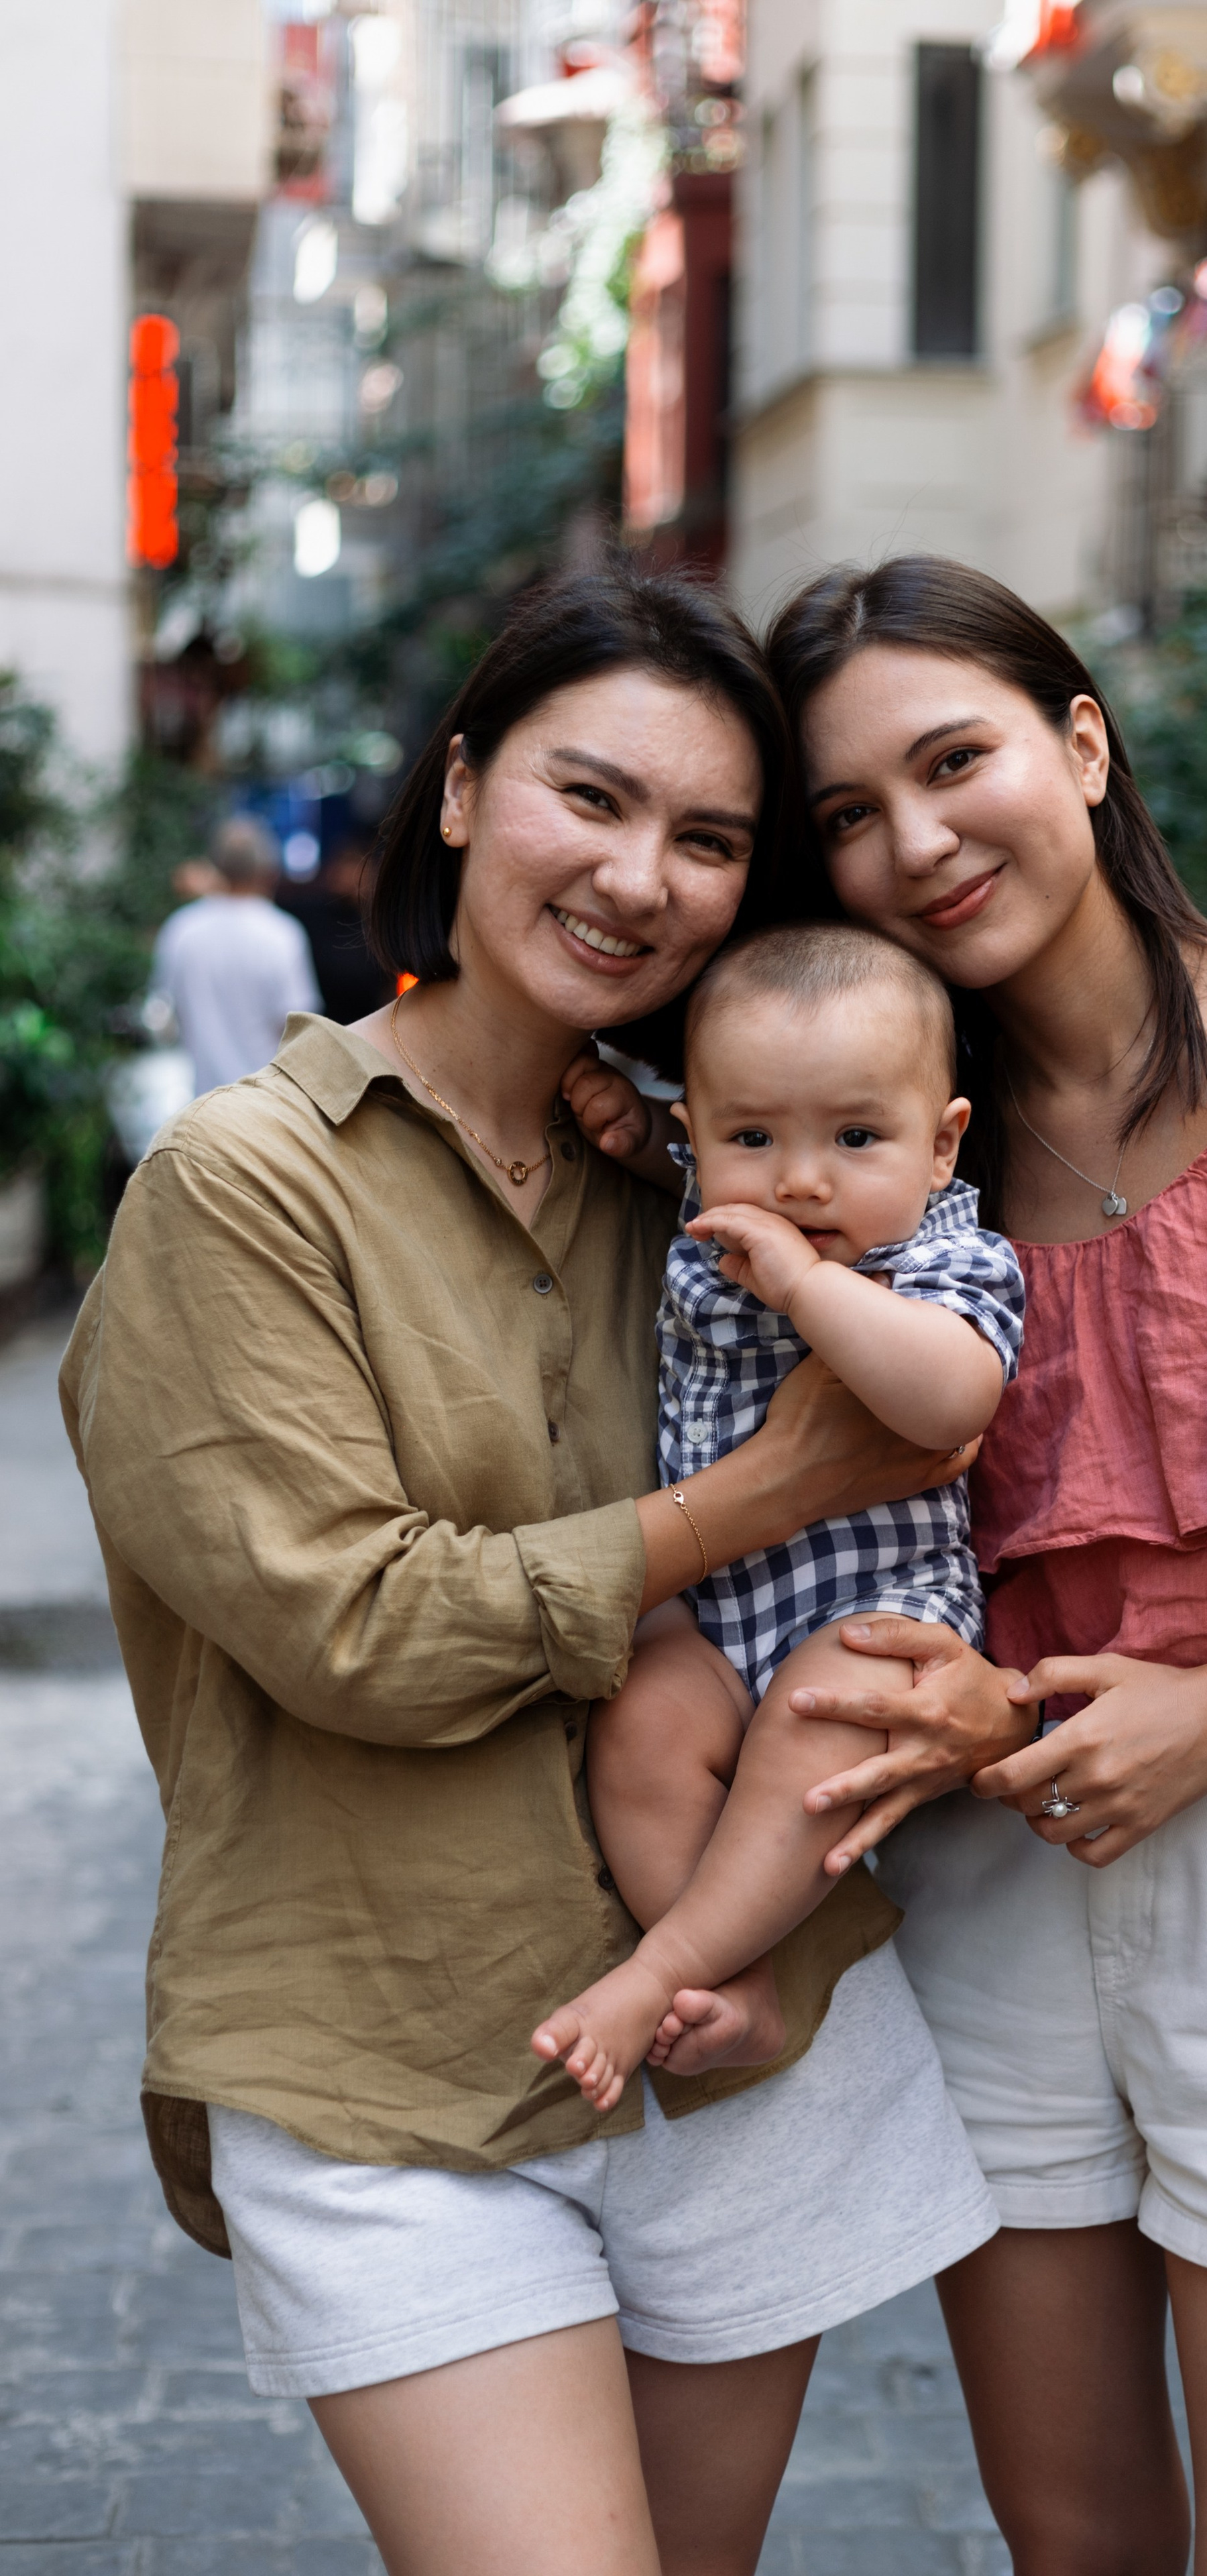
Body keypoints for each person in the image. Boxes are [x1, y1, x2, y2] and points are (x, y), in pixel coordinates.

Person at [570, 555, 1207, 2576]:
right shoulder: (871, 1146)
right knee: (1076, 2542)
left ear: (1076, 739)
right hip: (988, 1868)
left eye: (953, 759)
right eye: (850, 817)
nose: (917, 843)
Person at [60, 567, 1003, 2576]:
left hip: (747, 2028)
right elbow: (357, 1628)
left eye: (710, 838)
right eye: (594, 795)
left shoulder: (711, 1166)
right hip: (393, 2047)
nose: (642, 874)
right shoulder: (245, 1183)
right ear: (469, 787)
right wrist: (766, 1488)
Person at [536, 922, 1024, 2112]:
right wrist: (623, 1123)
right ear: (699, 1138)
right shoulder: (721, 1204)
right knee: (640, 1721)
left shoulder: (940, 1258)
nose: (801, 1182)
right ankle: (737, 1973)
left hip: (872, 1609)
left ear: (941, 1140)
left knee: (825, 1723)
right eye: (755, 1138)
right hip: (711, 1609)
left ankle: (664, 1969)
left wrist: (810, 1287)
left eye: (858, 1138)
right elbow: (678, 1161)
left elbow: (951, 1395)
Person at [152, 814, 321, 1092]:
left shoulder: (181, 929)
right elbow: (299, 1028)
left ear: (216, 866)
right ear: (268, 870)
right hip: (265, 1102)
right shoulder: (282, 934)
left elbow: (164, 1014)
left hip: (200, 1102)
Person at [277, 830, 395, 1023]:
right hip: (320, 1022)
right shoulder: (311, 910)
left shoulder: (379, 922)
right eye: (345, 867)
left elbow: (388, 985)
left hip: (367, 1023)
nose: (350, 877)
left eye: (357, 868)